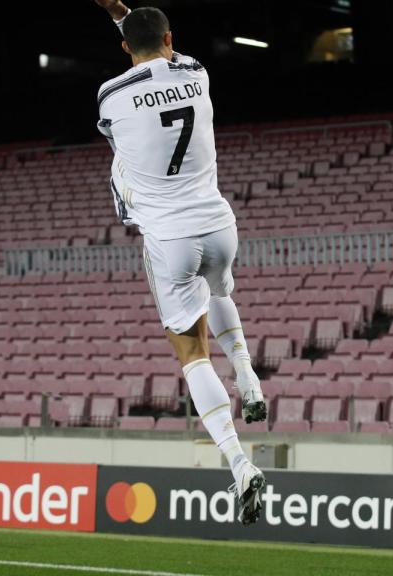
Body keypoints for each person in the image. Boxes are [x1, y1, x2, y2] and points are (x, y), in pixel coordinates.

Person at [93, 1, 268, 525]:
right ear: (172, 37)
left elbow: (123, 124)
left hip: (170, 239)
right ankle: (249, 377)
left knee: (192, 357)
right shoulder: (197, 72)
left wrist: (122, 25)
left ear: (124, 48)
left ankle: (239, 465)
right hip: (219, 225)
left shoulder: (110, 94)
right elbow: (158, 53)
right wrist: (128, 15)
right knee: (220, 293)